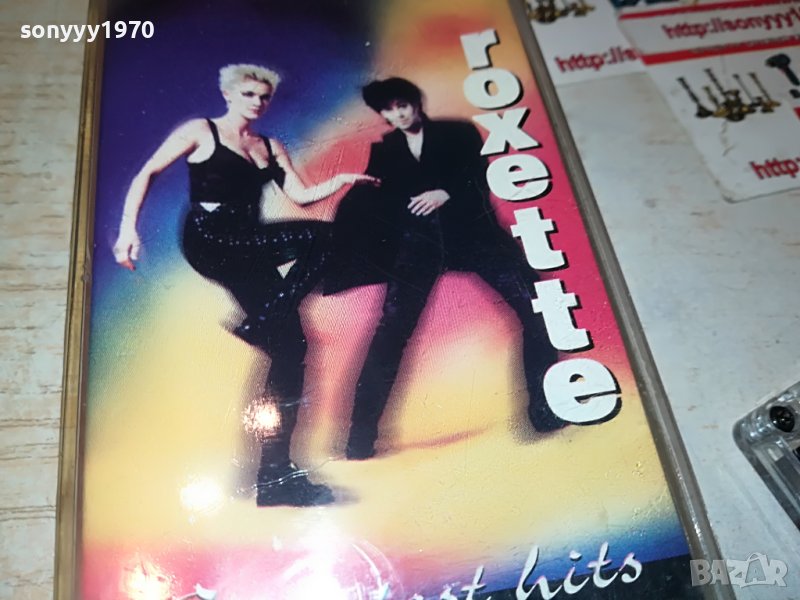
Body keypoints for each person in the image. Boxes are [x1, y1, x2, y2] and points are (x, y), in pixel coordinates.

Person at [112, 63, 377, 505]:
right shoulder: (202, 131)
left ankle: (275, 478)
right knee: (322, 240)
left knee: (291, 347)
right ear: (230, 95)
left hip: (249, 243)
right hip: (210, 238)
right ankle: (266, 319)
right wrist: (127, 230)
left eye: (264, 97)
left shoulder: (270, 147)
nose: (257, 103)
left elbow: (301, 196)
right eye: (249, 94)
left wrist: (341, 180)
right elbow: (147, 173)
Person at [326, 78, 565, 460]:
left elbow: (481, 177)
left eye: (402, 105)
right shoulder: (385, 149)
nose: (398, 114)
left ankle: (545, 410)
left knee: (537, 305)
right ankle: (359, 439)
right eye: (388, 110)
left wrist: (447, 193)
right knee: (391, 331)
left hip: (473, 237)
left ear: (416, 102)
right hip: (419, 246)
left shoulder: (458, 132)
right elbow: (382, 200)